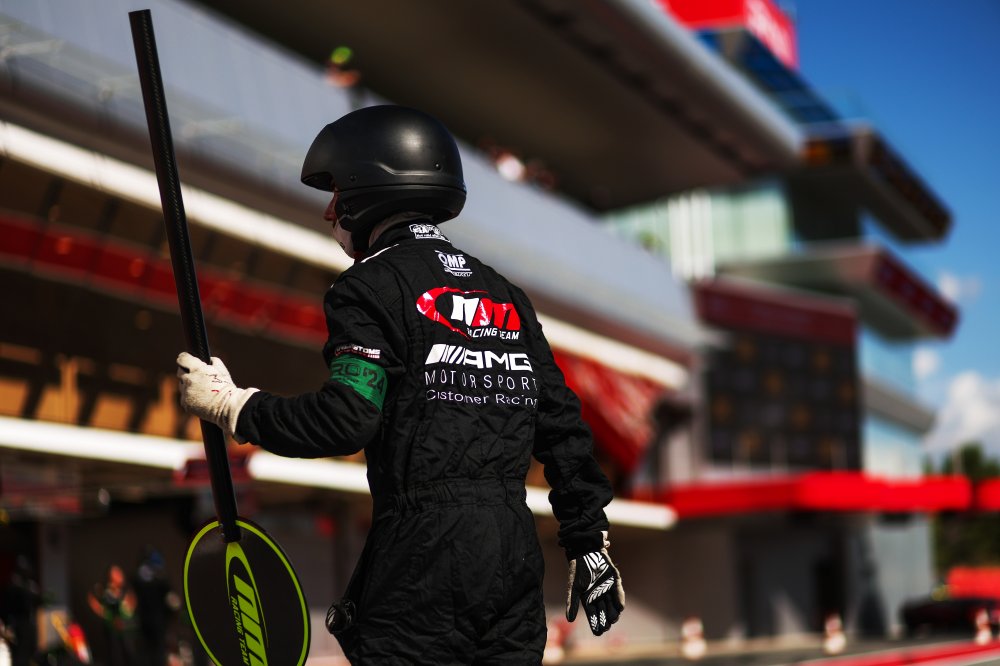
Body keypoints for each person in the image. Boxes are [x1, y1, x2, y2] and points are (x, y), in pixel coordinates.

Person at [175, 104, 625, 664]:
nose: (329, 211)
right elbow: (562, 428)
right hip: (513, 560)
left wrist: (234, 407)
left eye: (336, 192)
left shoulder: (368, 287)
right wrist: (588, 541)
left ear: (370, 187)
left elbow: (345, 419)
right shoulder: (506, 294)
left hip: (421, 557)